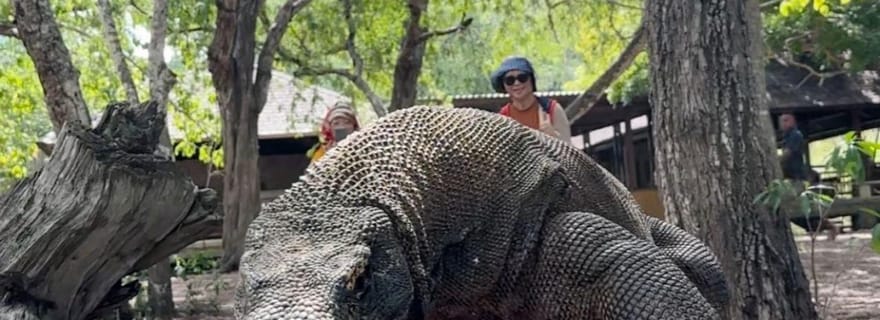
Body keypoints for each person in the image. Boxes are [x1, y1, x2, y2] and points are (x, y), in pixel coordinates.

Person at [780, 113, 839, 240]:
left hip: (797, 178)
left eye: (786, 120)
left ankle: (829, 226)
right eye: (782, 121)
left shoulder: (796, 135)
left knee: (796, 208)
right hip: (789, 178)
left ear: (793, 121)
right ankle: (825, 226)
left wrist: (774, 163)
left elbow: (787, 154)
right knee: (796, 209)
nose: (783, 124)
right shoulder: (787, 137)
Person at [490, 56, 571, 143]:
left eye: (522, 78)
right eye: (510, 80)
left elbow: (570, 150)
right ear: (504, 86)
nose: (517, 83)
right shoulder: (503, 116)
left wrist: (553, 136)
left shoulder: (552, 109)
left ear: (531, 81)